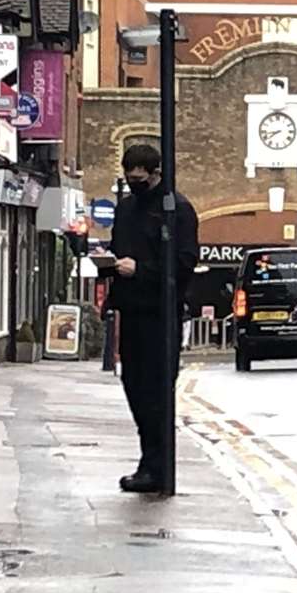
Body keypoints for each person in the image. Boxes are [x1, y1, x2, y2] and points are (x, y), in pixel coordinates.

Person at [103, 144, 198, 494]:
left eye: (140, 179)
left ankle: (157, 467)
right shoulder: (126, 208)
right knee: (136, 390)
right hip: (131, 311)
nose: (134, 185)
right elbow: (119, 249)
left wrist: (140, 270)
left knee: (158, 392)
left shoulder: (177, 209)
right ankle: (150, 461)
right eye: (129, 180)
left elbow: (185, 263)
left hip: (161, 314)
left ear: (157, 172)